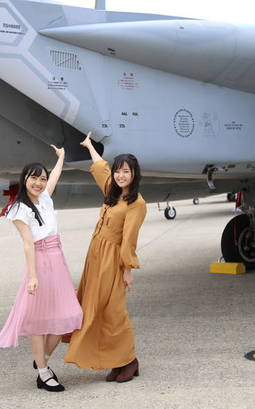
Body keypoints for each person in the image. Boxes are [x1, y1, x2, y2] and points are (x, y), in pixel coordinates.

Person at [0, 144, 83, 393]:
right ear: (25, 179)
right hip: (39, 262)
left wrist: (61, 157)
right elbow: (28, 243)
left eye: (42, 178)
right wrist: (32, 276)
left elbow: (55, 177)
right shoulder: (19, 209)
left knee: (67, 315)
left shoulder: (44, 198)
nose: (39, 183)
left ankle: (42, 358)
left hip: (58, 260)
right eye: (34, 178)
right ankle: (43, 373)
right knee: (39, 320)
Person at [64, 132, 147, 383]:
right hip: (95, 256)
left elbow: (129, 239)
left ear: (134, 174)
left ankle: (129, 360)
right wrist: (90, 146)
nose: (120, 175)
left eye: (126, 171)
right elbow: (100, 168)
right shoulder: (112, 190)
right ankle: (117, 361)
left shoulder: (137, 203)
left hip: (112, 260)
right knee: (97, 308)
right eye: (118, 171)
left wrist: (127, 269)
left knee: (114, 312)